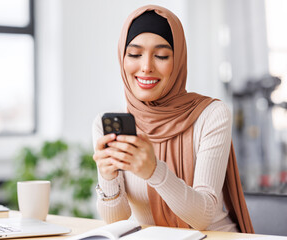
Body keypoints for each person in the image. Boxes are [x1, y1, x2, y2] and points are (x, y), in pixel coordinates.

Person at [92, 5, 254, 233]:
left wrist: (154, 171)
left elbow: (203, 218)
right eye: (135, 54)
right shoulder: (108, 125)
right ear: (122, 58)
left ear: (178, 61)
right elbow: (118, 221)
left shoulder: (211, 114)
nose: (146, 67)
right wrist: (107, 177)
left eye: (161, 55)